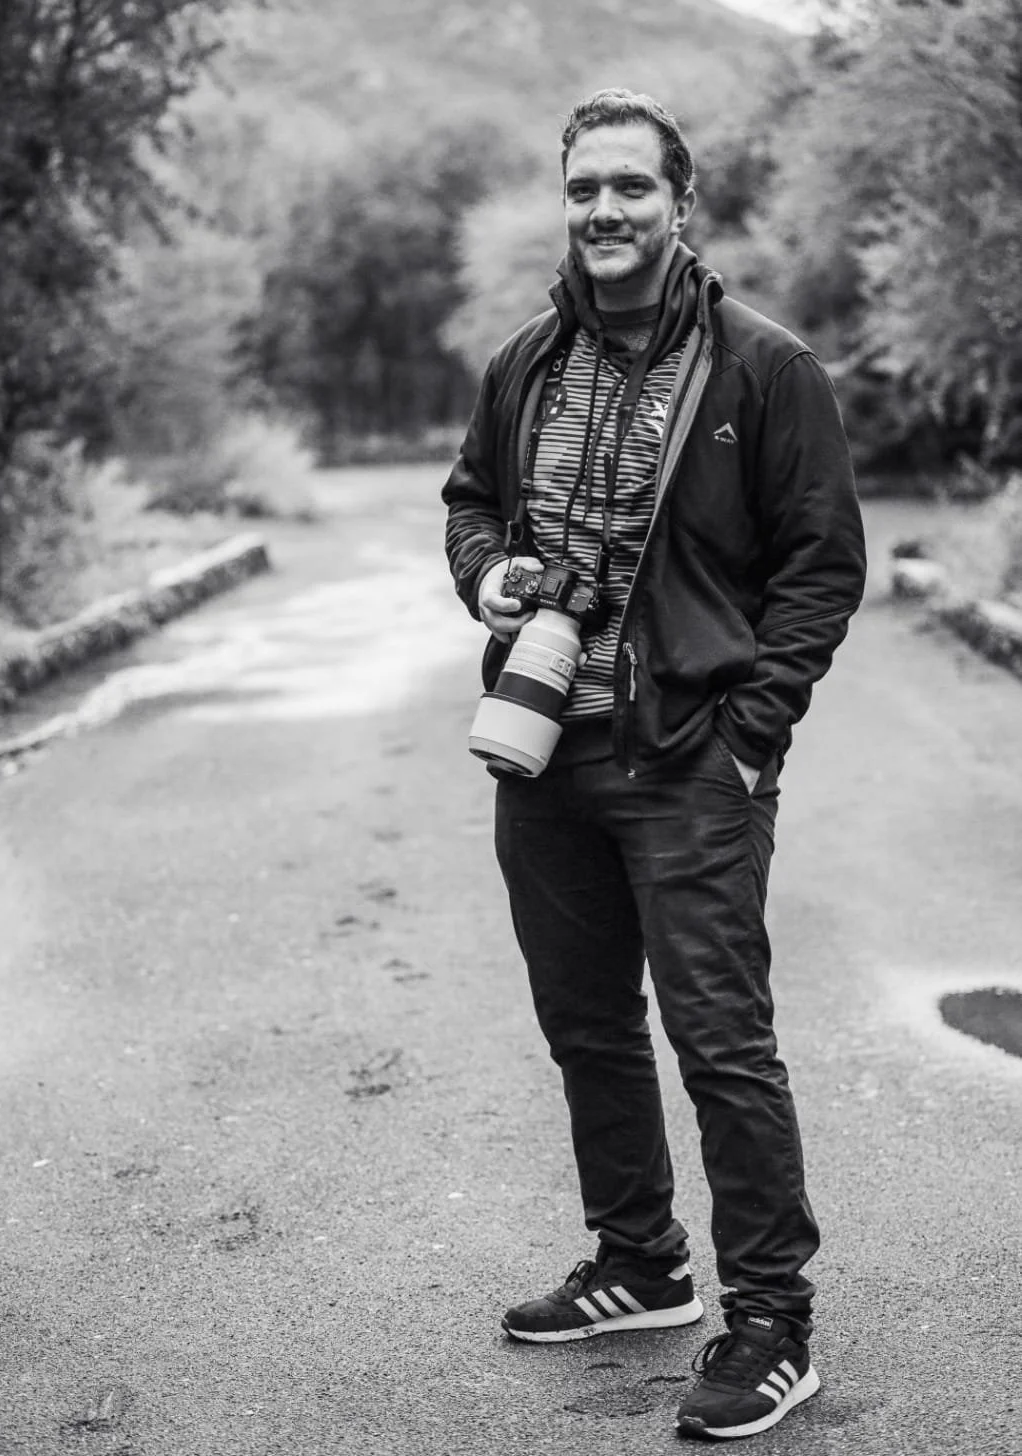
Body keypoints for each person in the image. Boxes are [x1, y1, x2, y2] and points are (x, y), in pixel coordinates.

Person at [441, 88, 866, 1440]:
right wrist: (489, 571)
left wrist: (751, 736)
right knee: (586, 1029)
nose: (605, 211)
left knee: (721, 1046)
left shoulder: (762, 366)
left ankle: (771, 1326)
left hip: (690, 759)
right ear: (563, 205)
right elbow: (468, 503)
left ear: (680, 205)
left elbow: (822, 566)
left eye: (630, 187)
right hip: (540, 750)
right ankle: (638, 1266)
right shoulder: (522, 361)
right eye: (583, 191)